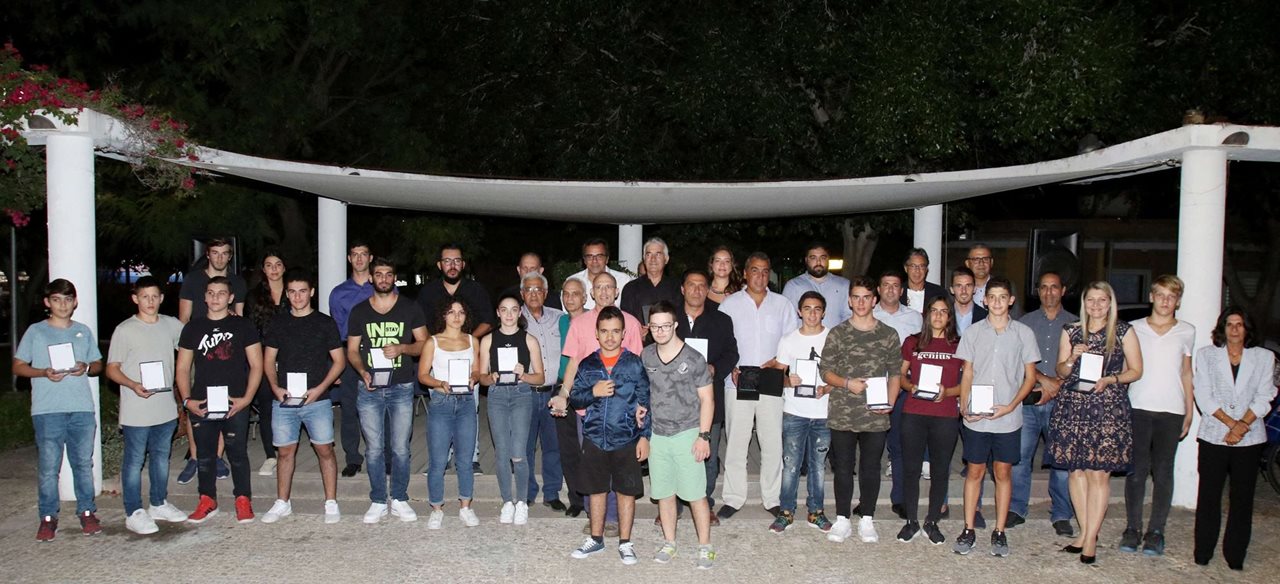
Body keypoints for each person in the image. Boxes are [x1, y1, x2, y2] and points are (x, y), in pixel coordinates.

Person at [1049, 281, 1143, 564]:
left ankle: (1091, 538)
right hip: (1073, 407)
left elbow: (1136, 370)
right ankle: (1084, 532)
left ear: (1110, 303)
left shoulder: (1123, 331)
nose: (1096, 305)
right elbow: (1060, 370)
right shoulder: (1071, 330)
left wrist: (1111, 379)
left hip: (1106, 408)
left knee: (1098, 474)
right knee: (1076, 471)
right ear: (1084, 303)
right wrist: (1072, 358)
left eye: (1102, 300)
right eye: (1091, 300)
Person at [953, 277, 1040, 557]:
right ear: (985, 300)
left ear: (1011, 300)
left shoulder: (1024, 333)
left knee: (1003, 473)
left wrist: (1012, 406)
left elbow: (1030, 377)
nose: (998, 302)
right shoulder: (973, 332)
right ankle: (968, 528)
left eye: (1003, 297)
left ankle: (999, 531)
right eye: (993, 297)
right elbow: (967, 372)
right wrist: (963, 405)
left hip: (1008, 418)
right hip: (977, 417)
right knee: (975, 471)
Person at [15, 279, 105, 541]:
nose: (63, 305)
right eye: (56, 299)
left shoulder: (83, 331)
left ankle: (87, 511)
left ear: (75, 302)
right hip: (47, 409)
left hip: (81, 409)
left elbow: (98, 364)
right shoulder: (36, 331)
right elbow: (18, 366)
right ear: (47, 302)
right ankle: (48, 517)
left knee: (83, 464)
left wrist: (86, 367)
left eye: (67, 299)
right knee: (48, 468)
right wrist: (43, 372)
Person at [819, 276, 902, 544]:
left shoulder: (888, 334)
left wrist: (890, 403)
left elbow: (895, 373)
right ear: (849, 301)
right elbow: (825, 371)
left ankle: (867, 517)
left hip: (874, 414)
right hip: (843, 411)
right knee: (843, 468)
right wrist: (847, 383)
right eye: (856, 297)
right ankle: (842, 518)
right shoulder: (838, 333)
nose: (861, 302)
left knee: (870, 468)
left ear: (874, 300)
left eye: (866, 297)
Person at [1192, 308, 1276, 571]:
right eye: (1229, 324)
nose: (1235, 329)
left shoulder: (1264, 357)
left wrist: (1243, 425)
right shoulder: (1207, 355)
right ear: (1222, 328)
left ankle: (1235, 554)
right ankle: (1203, 550)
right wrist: (1232, 424)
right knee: (1208, 495)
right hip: (1213, 434)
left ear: (1247, 328)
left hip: (1250, 439)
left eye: (1240, 324)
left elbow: (1265, 395)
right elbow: (1203, 395)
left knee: (1242, 498)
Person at [259, 270, 345, 525]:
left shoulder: (325, 323)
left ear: (312, 293)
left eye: (303, 291)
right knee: (285, 452)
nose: (298, 297)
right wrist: (275, 387)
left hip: (317, 399)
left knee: (325, 450)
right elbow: (268, 360)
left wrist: (320, 388)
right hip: (285, 399)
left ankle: (331, 502)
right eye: (293, 292)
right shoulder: (278, 323)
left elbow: (339, 361)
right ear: (287, 294)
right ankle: (282, 502)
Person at [346, 258, 428, 524]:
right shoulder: (359, 311)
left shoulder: (410, 307)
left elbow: (424, 343)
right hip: (369, 387)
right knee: (373, 449)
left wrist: (403, 348)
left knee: (401, 448)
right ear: (371, 278)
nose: (383, 278)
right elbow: (352, 350)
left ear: (394, 278)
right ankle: (379, 500)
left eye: (388, 274)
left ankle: (400, 498)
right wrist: (362, 371)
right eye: (378, 274)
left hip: (401, 385)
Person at [177, 276, 264, 524]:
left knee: (237, 453)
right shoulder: (192, 328)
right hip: (202, 402)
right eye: (211, 293)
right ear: (204, 297)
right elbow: (182, 368)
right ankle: (207, 500)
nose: (215, 298)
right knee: (204, 455)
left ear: (231, 297)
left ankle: (243, 499)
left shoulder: (243, 326)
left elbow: (257, 365)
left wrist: (247, 399)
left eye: (221, 293)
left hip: (235, 402)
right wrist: (187, 401)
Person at [717, 252, 798, 520]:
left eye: (765, 271)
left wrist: (779, 362)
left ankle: (772, 498)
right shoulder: (730, 304)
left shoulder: (783, 304)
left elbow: (792, 341)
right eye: (755, 270)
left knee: (772, 442)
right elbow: (722, 342)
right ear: (745, 273)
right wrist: (731, 367)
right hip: (737, 381)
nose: (760, 276)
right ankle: (733, 497)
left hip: (771, 380)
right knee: (736, 442)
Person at [105, 276, 188, 535]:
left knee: (161, 458)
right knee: (134, 461)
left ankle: (158, 503)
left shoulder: (171, 325)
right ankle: (133, 511)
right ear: (135, 299)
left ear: (161, 298)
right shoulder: (125, 330)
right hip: (137, 409)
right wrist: (132, 384)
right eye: (144, 297)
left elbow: (190, 345)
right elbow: (111, 369)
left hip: (164, 407)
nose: (150, 301)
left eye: (154, 296)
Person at [568, 307, 650, 564]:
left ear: (624, 333)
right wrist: (593, 391)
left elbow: (646, 400)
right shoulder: (588, 363)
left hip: (626, 437)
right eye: (604, 331)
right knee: (596, 490)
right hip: (595, 437)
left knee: (626, 491)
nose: (610, 337)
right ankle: (596, 539)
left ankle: (625, 542)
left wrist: (645, 436)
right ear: (596, 333)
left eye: (615, 331)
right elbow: (575, 398)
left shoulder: (634, 363)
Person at [1122, 275, 1195, 555]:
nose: (1165, 301)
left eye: (1171, 296)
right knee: (1136, 472)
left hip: (1171, 410)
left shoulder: (1186, 331)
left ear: (1178, 301)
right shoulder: (1134, 328)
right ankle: (1132, 528)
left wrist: (1189, 410)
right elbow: (1127, 368)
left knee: (1163, 473)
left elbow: (1186, 373)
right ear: (1151, 296)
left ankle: (1156, 531)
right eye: (1161, 295)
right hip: (1139, 407)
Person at [644, 301, 717, 569]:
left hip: (688, 433)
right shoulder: (646, 356)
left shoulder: (694, 358)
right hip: (657, 435)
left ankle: (705, 546)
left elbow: (707, 399)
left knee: (695, 494)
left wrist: (704, 436)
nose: (660, 331)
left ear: (675, 325)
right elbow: (645, 391)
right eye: (655, 326)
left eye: (665, 325)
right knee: (664, 493)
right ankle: (669, 542)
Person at [176, 238, 247, 484]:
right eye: (215, 253)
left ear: (230, 256)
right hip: (197, 350)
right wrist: (186, 350)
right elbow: (183, 317)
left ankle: (216, 457)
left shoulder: (237, 282)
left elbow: (239, 317)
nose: (219, 257)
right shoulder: (193, 280)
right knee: (196, 403)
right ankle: (196, 457)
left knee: (224, 402)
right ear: (207, 254)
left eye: (224, 253)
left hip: (226, 351)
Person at [1012, 272, 1076, 536]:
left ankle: (1061, 513)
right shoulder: (1024, 323)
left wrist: (1056, 385)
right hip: (1029, 400)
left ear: (1063, 290)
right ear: (1038, 291)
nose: (1049, 292)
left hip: (1062, 403)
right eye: (1044, 288)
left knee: (1061, 461)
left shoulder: (1076, 324)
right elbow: (1017, 359)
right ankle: (1016, 509)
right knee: (1020, 457)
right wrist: (1043, 380)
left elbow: (1081, 364)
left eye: (1054, 287)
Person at [895, 295, 963, 545]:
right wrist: (910, 387)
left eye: (943, 311)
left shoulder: (959, 344)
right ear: (927, 315)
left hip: (945, 415)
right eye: (934, 310)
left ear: (949, 317)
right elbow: (900, 375)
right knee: (911, 468)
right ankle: (911, 520)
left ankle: (932, 521)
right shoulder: (912, 342)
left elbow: (967, 383)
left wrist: (949, 392)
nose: (938, 315)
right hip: (914, 413)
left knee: (940, 470)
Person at [675, 269, 738, 523]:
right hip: (674, 399)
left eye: (702, 285)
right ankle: (673, 504)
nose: (697, 290)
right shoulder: (669, 318)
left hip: (710, 398)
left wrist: (715, 368)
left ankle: (705, 502)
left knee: (707, 455)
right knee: (676, 451)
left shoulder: (721, 320)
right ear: (683, 289)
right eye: (692, 285)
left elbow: (732, 353)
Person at [769, 292, 834, 535]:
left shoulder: (833, 338)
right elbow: (777, 375)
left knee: (818, 466)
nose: (812, 314)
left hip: (823, 412)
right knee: (790, 464)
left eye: (817, 309)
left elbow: (840, 374)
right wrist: (789, 381)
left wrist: (827, 387)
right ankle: (786, 511)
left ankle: (816, 511)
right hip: (794, 412)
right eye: (807, 308)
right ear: (799, 311)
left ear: (824, 312)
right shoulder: (788, 340)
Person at [479, 294, 546, 525]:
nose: (509, 314)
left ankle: (522, 503)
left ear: (520, 313)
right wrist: (490, 377)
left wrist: (524, 375)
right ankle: (507, 501)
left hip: (521, 395)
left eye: (514, 309)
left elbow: (540, 377)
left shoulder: (530, 340)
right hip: (497, 396)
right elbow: (480, 376)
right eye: (504, 309)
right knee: (501, 452)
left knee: (518, 452)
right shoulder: (488, 340)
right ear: (498, 313)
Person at [418, 299, 483, 530]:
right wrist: (439, 383)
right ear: (443, 315)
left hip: (466, 402)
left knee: (465, 459)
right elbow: (422, 375)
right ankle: (436, 508)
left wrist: (473, 378)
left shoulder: (472, 341)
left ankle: (465, 506)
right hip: (441, 402)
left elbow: (477, 370)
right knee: (438, 460)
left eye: (461, 312)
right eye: (451, 312)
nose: (456, 316)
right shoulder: (433, 342)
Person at [874, 269, 922, 517]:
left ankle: (900, 498)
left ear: (901, 291)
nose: (891, 289)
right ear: (878, 289)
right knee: (871, 448)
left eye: (895, 285)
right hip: (873, 387)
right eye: (886, 284)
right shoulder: (868, 314)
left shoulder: (915, 318)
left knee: (900, 445)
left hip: (903, 388)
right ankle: (866, 500)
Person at [328, 241, 375, 478]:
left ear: (370, 258)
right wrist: (335, 365)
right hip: (348, 352)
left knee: (381, 405)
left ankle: (383, 456)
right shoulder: (338, 293)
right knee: (349, 408)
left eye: (363, 254)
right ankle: (353, 458)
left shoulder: (381, 287)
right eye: (354, 255)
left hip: (376, 351)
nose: (359, 259)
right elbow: (335, 332)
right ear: (349, 259)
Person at [520, 272, 567, 511]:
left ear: (546, 293)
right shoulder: (514, 317)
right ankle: (527, 492)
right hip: (525, 392)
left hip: (553, 392)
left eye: (538, 289)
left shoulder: (560, 318)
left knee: (553, 446)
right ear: (522, 293)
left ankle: (552, 492)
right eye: (528, 289)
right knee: (525, 446)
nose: (533, 294)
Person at [248, 251, 287, 476]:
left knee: (290, 404)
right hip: (263, 358)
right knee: (266, 407)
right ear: (263, 269)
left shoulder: (294, 292)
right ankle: (270, 456)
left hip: (291, 358)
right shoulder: (254, 296)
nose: (274, 269)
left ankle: (286, 452)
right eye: (269, 265)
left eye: (278, 264)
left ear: (284, 267)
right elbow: (250, 331)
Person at [552, 277, 590, 518]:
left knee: (589, 446)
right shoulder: (561, 321)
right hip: (562, 387)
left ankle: (593, 498)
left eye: (575, 293)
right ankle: (576, 498)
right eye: (566, 293)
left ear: (585, 297)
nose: (570, 298)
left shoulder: (594, 320)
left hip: (587, 387)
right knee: (568, 446)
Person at [416, 243, 495, 339]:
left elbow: (488, 322)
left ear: (463, 264)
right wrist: (434, 343)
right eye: (447, 261)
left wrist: (468, 340)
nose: (452, 265)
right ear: (439, 265)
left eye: (457, 261)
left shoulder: (477, 290)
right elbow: (419, 323)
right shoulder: (428, 292)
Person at [781, 242, 851, 329]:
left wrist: (836, 336)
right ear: (806, 260)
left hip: (837, 337)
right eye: (813, 258)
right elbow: (787, 320)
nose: (818, 262)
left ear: (828, 259)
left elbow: (849, 317)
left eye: (823, 257)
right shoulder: (793, 286)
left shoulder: (844, 285)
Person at [620, 238, 682, 327]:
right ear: (644, 259)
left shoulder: (677, 287)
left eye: (658, 254)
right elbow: (626, 320)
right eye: (648, 254)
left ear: (666, 259)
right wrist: (638, 330)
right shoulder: (630, 288)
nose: (653, 259)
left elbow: (682, 317)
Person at [566, 238, 634, 311]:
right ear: (584, 260)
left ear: (607, 259)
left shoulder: (624, 280)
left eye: (599, 256)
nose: (594, 260)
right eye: (590, 257)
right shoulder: (573, 282)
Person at [902, 248, 948, 314]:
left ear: (926, 269)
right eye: (913, 266)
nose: (917, 270)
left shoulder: (939, 293)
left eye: (921, 266)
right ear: (906, 268)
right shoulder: (897, 293)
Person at [950, 267, 987, 336]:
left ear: (974, 289)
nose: (964, 291)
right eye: (959, 286)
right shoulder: (944, 315)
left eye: (968, 285)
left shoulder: (985, 317)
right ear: (952, 290)